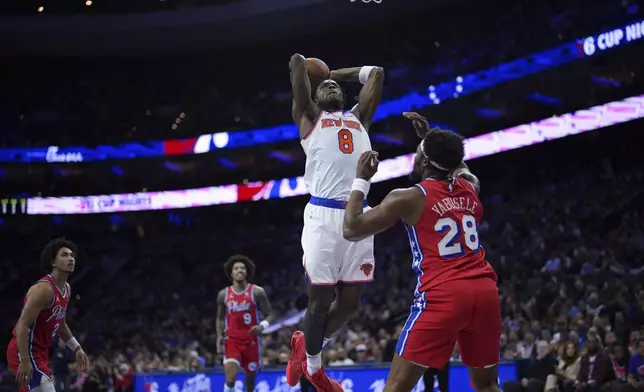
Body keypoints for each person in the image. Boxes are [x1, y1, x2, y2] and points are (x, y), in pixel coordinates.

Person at [341, 112, 502, 392]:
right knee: (487, 385)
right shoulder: (469, 188)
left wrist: (361, 179)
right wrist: (431, 138)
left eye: (418, 152)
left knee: (396, 389)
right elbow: (458, 165)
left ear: (425, 161)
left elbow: (352, 228)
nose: (414, 156)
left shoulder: (408, 197)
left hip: (443, 295)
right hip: (485, 292)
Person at [285, 53, 385, 391]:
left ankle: (308, 345)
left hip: (359, 211)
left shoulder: (360, 118)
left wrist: (334, 74)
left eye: (335, 86)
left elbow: (377, 74)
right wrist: (314, 71)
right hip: (323, 215)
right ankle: (314, 368)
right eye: (323, 85)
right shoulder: (309, 117)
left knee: (350, 303)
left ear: (343, 93)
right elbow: (298, 63)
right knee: (321, 300)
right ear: (312, 98)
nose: (329, 86)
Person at [6, 238, 90, 392]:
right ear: (53, 262)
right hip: (24, 349)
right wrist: (24, 360)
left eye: (72, 255)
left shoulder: (67, 289)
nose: (70, 259)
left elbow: (61, 324)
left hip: (40, 352)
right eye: (64, 255)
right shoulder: (44, 289)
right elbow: (22, 324)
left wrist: (77, 348)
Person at [216, 255, 273, 392]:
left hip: (251, 341)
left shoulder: (257, 292)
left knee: (249, 385)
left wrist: (262, 326)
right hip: (232, 340)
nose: (240, 270)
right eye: (236, 268)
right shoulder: (224, 294)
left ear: (247, 272)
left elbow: (270, 314)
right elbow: (219, 318)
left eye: (242, 268)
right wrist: (219, 337)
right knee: (230, 379)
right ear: (231, 273)